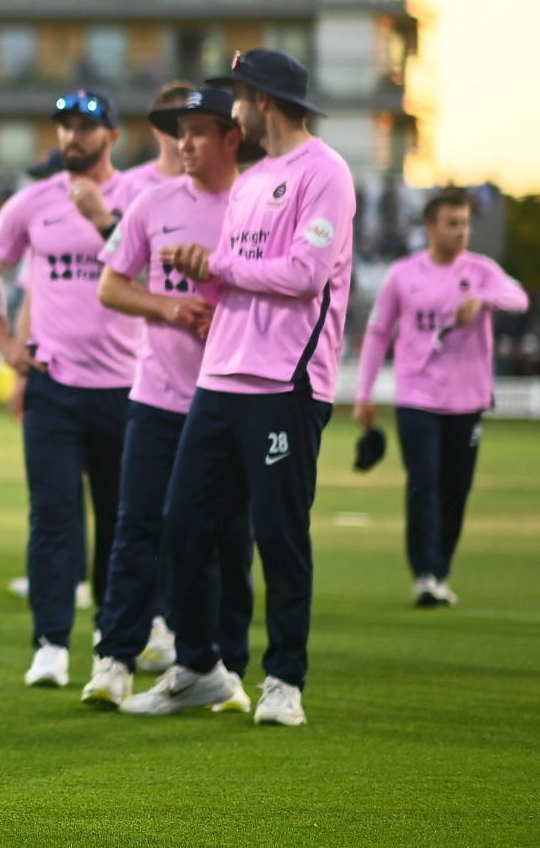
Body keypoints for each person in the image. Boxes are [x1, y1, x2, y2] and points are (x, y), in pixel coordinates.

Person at [121, 48, 356, 727]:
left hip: (285, 380)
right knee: (182, 525)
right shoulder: (255, 179)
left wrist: (218, 262)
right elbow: (239, 274)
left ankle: (284, 680)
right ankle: (199, 665)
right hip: (221, 375)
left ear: (262, 101)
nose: (236, 110)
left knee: (278, 535)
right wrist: (204, 271)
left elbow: (305, 273)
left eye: (240, 98)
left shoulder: (326, 173)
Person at [81, 85, 254, 709]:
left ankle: (224, 667)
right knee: (136, 529)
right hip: (156, 395)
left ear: (233, 138)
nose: (184, 143)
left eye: (198, 131)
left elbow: (280, 293)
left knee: (230, 539)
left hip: (234, 398)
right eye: (179, 131)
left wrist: (226, 315)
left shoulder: (257, 205)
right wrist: (170, 308)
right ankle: (115, 659)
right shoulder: (153, 204)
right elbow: (110, 286)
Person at [0, 89, 147, 687]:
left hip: (127, 386)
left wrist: (102, 218)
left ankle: (111, 640)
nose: (73, 137)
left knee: (121, 521)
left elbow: (153, 272)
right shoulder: (32, 202)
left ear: (113, 137)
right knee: (52, 515)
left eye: (86, 128)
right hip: (53, 384)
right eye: (65, 127)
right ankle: (49, 642)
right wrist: (3, 342)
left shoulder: (139, 198)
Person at [355, 189, 528, 607]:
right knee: (424, 483)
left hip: (468, 399)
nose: (461, 231)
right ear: (431, 227)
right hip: (417, 396)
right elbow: (379, 333)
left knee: (456, 488)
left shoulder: (481, 271)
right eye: (452, 223)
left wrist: (482, 301)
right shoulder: (403, 273)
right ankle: (426, 573)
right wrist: (364, 394)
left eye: (465, 223)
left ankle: (440, 571)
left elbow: (518, 299)